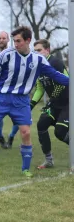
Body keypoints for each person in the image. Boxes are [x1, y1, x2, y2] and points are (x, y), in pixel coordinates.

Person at [0, 26, 69, 177]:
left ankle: (25, 169)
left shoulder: (38, 60)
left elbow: (55, 75)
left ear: (28, 40)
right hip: (1, 97)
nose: (15, 44)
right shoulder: (6, 55)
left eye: (19, 41)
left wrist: (70, 81)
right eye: (14, 41)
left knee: (26, 133)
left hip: (21, 99)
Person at [30, 39, 69, 169]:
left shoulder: (56, 62)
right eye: (35, 51)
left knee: (60, 132)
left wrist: (51, 100)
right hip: (54, 104)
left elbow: (65, 83)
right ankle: (49, 161)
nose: (36, 53)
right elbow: (40, 88)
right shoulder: (38, 67)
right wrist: (31, 105)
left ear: (47, 50)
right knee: (41, 124)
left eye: (39, 50)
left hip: (68, 103)